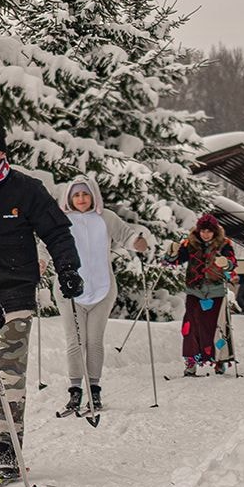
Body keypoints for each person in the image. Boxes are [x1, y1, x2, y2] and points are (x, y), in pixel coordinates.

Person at [0, 113, 82, 480]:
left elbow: (57, 231)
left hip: (13, 294)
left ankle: (7, 446)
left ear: (2, 153)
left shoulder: (26, 189)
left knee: (10, 375)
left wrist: (69, 269)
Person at [55, 175, 149, 416]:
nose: (81, 199)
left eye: (85, 194)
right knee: (75, 341)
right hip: (69, 291)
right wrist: (42, 262)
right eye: (76, 195)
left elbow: (126, 236)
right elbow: (47, 244)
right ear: (69, 197)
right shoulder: (62, 219)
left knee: (94, 340)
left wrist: (138, 243)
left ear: (93, 195)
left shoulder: (106, 217)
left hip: (102, 289)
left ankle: (94, 390)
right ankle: (75, 391)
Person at [167, 213, 237, 374]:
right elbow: (175, 261)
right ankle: (191, 361)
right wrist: (172, 252)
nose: (206, 234)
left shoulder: (224, 245)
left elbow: (232, 264)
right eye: (203, 231)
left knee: (216, 327)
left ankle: (219, 359)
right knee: (190, 327)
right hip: (194, 291)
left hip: (216, 292)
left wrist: (226, 263)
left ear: (215, 232)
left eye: (209, 231)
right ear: (198, 231)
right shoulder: (190, 244)